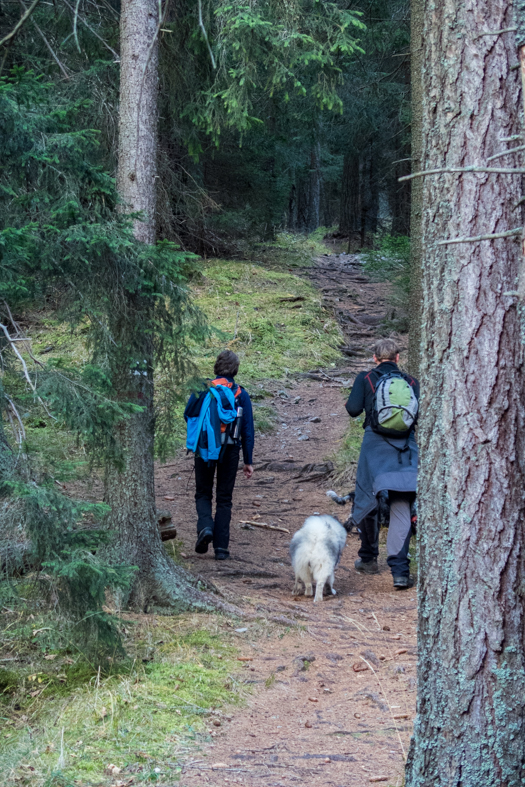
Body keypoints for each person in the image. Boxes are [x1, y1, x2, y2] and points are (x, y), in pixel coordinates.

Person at [345, 338, 419, 589]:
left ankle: (368, 559)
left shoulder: (365, 379)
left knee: (368, 497)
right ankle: (399, 572)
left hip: (374, 446)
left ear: (375, 358)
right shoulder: (411, 383)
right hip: (405, 448)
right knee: (402, 503)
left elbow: (353, 410)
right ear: (398, 358)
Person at [184, 350, 254, 560]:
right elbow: (247, 430)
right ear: (235, 370)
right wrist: (248, 461)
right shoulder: (240, 393)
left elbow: (188, 415)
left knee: (203, 493)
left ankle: (205, 527)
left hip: (204, 448)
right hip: (230, 449)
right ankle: (221, 548)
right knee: (224, 499)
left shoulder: (202, 389)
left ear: (216, 367)